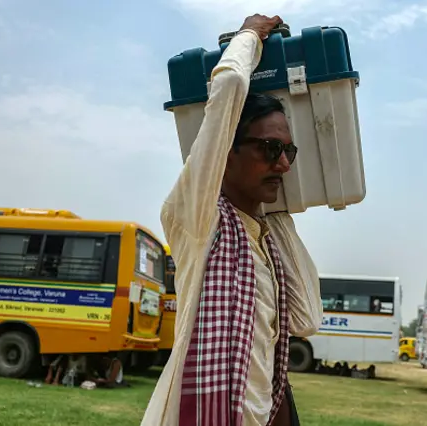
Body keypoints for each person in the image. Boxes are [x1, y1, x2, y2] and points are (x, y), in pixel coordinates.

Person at [141, 14, 322, 426]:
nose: (283, 164)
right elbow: (230, 88)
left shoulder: (264, 239)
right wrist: (249, 37)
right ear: (226, 150)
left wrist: (277, 213)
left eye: (289, 153)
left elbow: (308, 317)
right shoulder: (198, 219)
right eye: (270, 148)